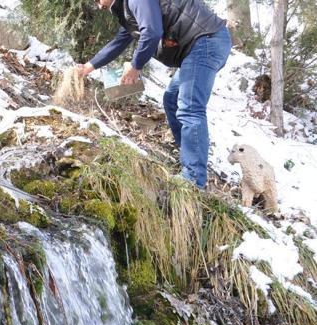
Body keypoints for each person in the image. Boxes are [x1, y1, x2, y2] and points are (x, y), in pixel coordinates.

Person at [78, 0, 232, 188]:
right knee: (172, 100)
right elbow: (120, 41)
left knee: (190, 108)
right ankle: (189, 161)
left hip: (207, 40)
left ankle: (193, 180)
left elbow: (152, 32)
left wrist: (136, 66)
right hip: (199, 45)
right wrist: (88, 67)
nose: (97, 3)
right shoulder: (127, 9)